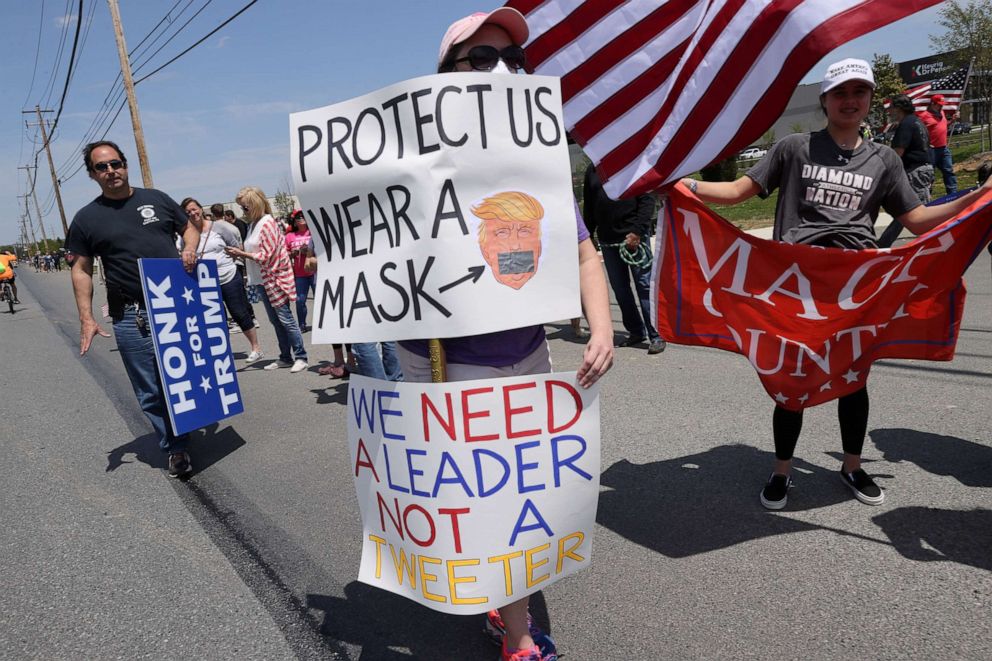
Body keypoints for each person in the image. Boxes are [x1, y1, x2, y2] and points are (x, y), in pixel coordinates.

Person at [679, 58, 992, 511]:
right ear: (825, 101)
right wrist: (681, 186)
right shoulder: (794, 147)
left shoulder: (883, 158)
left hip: (856, 285)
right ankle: (782, 471)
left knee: (853, 379)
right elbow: (739, 192)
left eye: (859, 93)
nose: (850, 101)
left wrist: (977, 198)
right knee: (790, 377)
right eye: (841, 94)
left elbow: (918, 221)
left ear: (869, 101)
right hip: (795, 282)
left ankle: (851, 464)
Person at [397, 9, 614, 661]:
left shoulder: (536, 163)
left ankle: (511, 620)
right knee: (480, 495)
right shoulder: (408, 166)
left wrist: (601, 325)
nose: (505, 71)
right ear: (445, 78)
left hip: (526, 353)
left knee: (519, 491)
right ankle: (518, 634)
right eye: (484, 58)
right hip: (445, 365)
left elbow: (583, 252)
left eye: (515, 61)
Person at [66, 140, 200, 478]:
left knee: (188, 376)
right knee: (151, 389)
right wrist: (86, 318)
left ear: (125, 165)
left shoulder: (156, 199)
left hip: (175, 305)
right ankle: (176, 448)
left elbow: (188, 228)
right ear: (92, 174)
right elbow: (80, 269)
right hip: (131, 316)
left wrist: (189, 248)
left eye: (116, 163)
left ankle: (190, 421)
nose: (111, 171)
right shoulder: (86, 219)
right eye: (102, 167)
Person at [224, 186, 308, 373]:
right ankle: (285, 357)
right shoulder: (255, 224)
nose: (242, 211)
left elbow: (266, 255)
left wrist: (240, 253)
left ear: (254, 205)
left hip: (274, 278)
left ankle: (301, 356)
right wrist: (239, 254)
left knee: (286, 320)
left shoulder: (268, 223)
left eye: (245, 207)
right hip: (262, 279)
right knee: (276, 321)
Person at [584, 164, 666, 354]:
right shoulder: (592, 171)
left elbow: (646, 199)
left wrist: (637, 231)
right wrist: (588, 236)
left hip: (634, 238)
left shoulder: (630, 162)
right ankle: (636, 331)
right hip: (607, 241)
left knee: (644, 286)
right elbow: (590, 204)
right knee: (620, 290)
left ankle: (657, 335)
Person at [180, 198, 264, 363]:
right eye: (188, 212)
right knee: (215, 318)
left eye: (194, 209)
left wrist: (236, 260)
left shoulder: (220, 227)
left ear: (201, 208)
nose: (192, 213)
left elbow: (237, 246)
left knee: (239, 313)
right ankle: (223, 351)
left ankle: (256, 348)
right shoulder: (186, 233)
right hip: (205, 281)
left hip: (229, 276)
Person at [878, 94, 934, 247]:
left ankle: (934, 243)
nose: (889, 111)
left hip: (916, 172)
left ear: (899, 108)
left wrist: (884, 172)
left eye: (892, 108)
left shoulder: (906, 125)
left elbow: (897, 153)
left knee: (914, 212)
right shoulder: (916, 121)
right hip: (922, 170)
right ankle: (883, 243)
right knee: (910, 211)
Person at [919, 94, 957, 195]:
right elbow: (917, 132)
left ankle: (953, 195)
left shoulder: (942, 113)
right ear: (932, 104)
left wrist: (952, 121)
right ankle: (927, 196)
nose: (941, 106)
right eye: (939, 105)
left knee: (949, 171)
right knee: (930, 174)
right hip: (931, 150)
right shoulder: (924, 116)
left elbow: (943, 126)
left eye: (942, 104)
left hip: (944, 148)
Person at [284, 209, 314, 331]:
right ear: (294, 222)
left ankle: (324, 323)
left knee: (321, 299)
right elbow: (284, 254)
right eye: (298, 217)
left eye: (303, 216)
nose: (301, 218)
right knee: (300, 300)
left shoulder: (313, 233)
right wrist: (293, 253)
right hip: (300, 274)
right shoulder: (289, 236)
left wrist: (310, 250)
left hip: (315, 272)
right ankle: (302, 324)